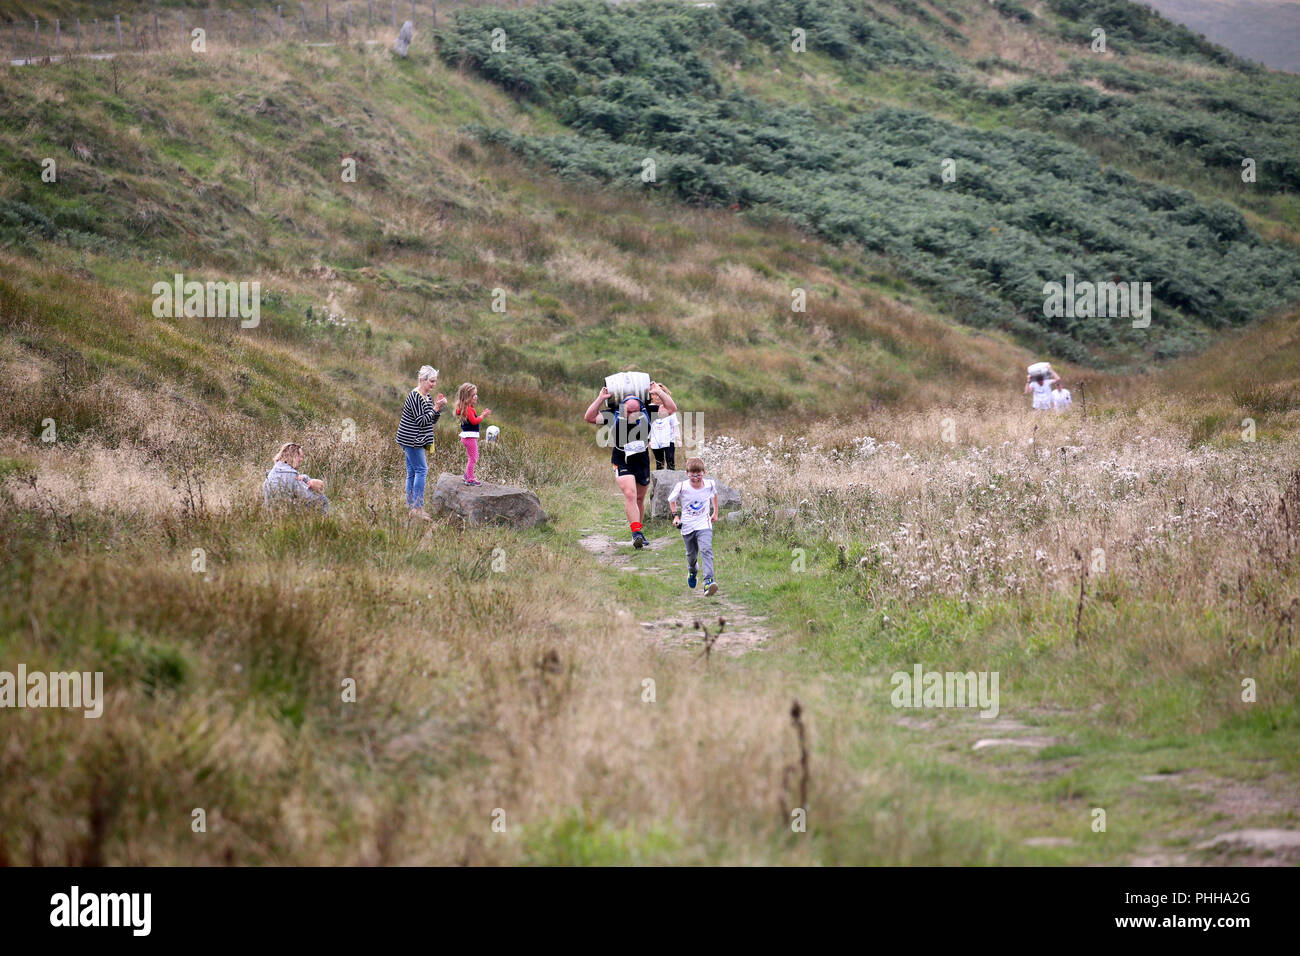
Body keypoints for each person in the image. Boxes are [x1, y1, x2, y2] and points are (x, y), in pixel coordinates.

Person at [584, 378, 678, 549]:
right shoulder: (613, 414)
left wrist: (658, 392)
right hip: (621, 458)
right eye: (628, 412)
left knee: (640, 498)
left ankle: (639, 531)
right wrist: (600, 398)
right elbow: (589, 417)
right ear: (622, 409)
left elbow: (672, 409)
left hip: (641, 459)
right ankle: (635, 534)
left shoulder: (649, 411)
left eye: (635, 412)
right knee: (630, 494)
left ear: (641, 409)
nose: (632, 415)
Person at [396, 365, 446, 521]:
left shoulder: (427, 397)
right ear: (422, 380)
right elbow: (422, 421)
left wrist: (438, 408)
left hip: (414, 439)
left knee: (412, 472)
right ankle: (417, 507)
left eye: (435, 381)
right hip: (411, 440)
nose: (433, 384)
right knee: (422, 470)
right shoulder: (415, 396)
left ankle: (411, 507)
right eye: (431, 381)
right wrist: (436, 408)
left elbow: (431, 420)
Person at [668, 457, 719, 595]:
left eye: (698, 475)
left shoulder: (710, 484)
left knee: (706, 549)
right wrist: (676, 516)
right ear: (687, 474)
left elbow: (714, 495)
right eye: (692, 475)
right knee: (691, 556)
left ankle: (709, 582)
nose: (696, 478)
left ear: (704, 472)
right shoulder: (682, 486)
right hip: (688, 525)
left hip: (704, 523)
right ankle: (692, 571)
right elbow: (671, 500)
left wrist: (715, 512)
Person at [263, 442, 330, 513]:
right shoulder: (291, 474)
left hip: (270, 509)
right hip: (287, 511)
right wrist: (316, 489)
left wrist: (305, 478)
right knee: (323, 500)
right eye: (300, 457)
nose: (302, 459)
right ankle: (323, 522)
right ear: (293, 456)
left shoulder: (274, 471)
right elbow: (307, 496)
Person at [455, 383, 491, 486]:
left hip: (467, 436)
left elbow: (458, 412)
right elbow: (474, 421)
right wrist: (483, 416)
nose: (476, 396)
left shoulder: (463, 407)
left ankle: (467, 475)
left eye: (476, 394)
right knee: (473, 457)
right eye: (473, 395)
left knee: (473, 456)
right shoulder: (469, 409)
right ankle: (470, 478)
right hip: (470, 437)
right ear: (466, 397)